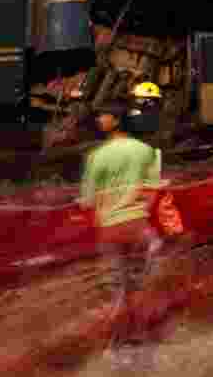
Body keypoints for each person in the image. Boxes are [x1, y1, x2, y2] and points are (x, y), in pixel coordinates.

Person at [80, 99, 163, 366]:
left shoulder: (96, 156)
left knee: (118, 289)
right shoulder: (146, 151)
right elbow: (152, 192)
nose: (98, 120)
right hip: (138, 226)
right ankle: (142, 342)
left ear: (116, 119)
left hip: (110, 229)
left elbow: (88, 201)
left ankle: (118, 347)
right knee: (138, 285)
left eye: (103, 115)